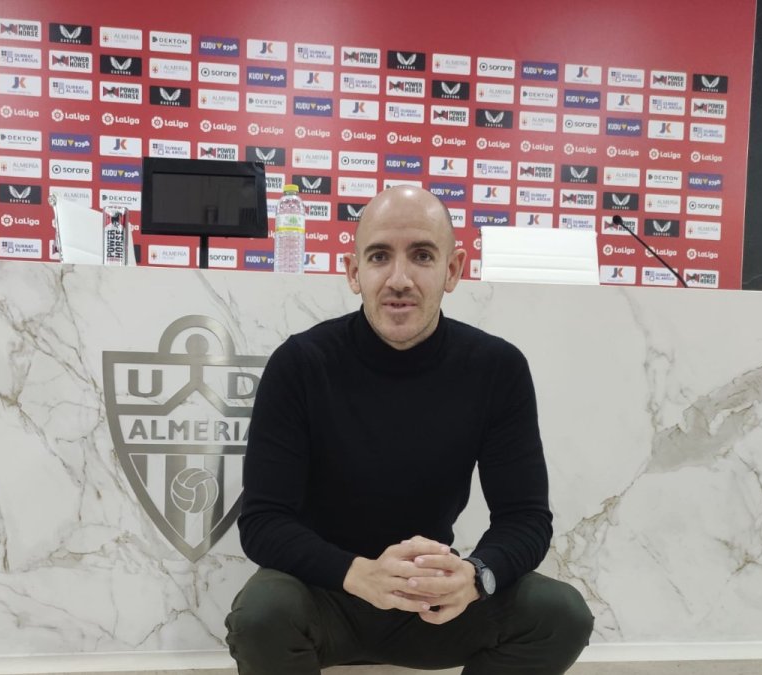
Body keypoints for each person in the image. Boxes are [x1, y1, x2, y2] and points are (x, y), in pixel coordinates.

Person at [225, 186, 593, 674]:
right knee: (260, 615)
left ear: (453, 269)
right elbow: (264, 521)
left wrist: (474, 577)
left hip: (432, 606)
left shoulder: (496, 368)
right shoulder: (301, 363)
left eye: (421, 255)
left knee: (560, 614)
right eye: (379, 256)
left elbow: (526, 518)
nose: (399, 279)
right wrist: (359, 574)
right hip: (326, 596)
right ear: (354, 273)